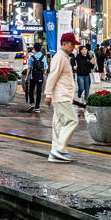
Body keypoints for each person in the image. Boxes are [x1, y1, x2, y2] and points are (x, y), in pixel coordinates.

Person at [44, 33, 79, 163]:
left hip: (62, 95)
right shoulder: (60, 58)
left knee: (58, 124)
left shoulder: (64, 58)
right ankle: (59, 149)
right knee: (72, 120)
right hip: (61, 96)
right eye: (72, 44)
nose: (74, 47)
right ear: (64, 44)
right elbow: (53, 76)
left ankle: (55, 152)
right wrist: (48, 94)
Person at [25, 43, 48, 112]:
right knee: (39, 92)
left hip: (32, 77)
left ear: (34, 49)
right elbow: (46, 68)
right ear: (40, 49)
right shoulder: (43, 57)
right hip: (40, 77)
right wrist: (43, 74)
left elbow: (29, 68)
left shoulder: (32, 57)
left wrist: (26, 77)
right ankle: (37, 108)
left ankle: (32, 104)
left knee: (31, 91)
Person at [73, 43, 94, 108]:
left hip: (87, 75)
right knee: (81, 88)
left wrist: (93, 63)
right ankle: (79, 94)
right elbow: (73, 63)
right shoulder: (78, 58)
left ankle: (86, 102)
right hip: (80, 75)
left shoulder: (89, 57)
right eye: (83, 49)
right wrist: (74, 67)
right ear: (80, 51)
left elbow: (91, 67)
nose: (84, 51)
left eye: (85, 49)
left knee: (87, 89)